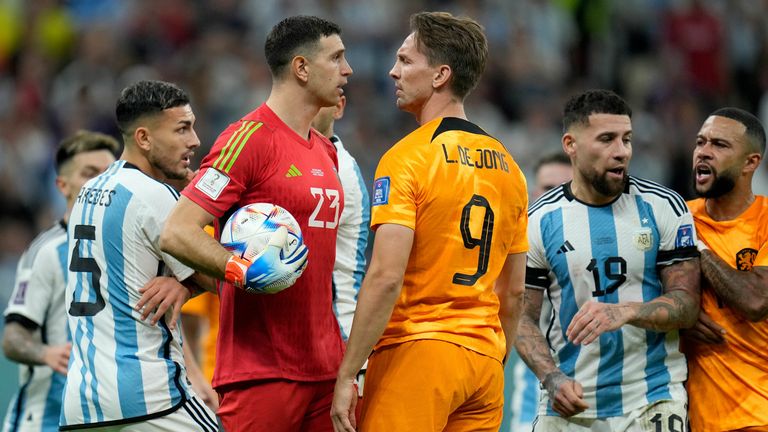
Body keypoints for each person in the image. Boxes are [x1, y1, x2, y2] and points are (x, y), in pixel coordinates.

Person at [331, 12, 528, 432]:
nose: (392, 70)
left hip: (417, 353)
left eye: (405, 61)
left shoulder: (408, 157)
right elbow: (512, 292)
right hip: (485, 364)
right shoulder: (511, 169)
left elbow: (385, 276)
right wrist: (493, 356)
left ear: (440, 75)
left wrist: (349, 372)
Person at [159, 16, 352, 431]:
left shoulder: (326, 151)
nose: (347, 70)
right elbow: (178, 231)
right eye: (336, 58)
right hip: (261, 372)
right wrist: (239, 271)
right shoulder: (247, 138)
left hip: (326, 371)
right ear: (301, 68)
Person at [516, 89, 701, 431]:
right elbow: (520, 317)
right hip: (570, 404)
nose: (622, 152)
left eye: (627, 139)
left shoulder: (663, 207)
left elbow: (687, 305)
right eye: (607, 139)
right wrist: (551, 377)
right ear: (570, 144)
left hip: (652, 397)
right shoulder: (537, 221)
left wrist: (625, 311)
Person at [60, 80, 217, 431]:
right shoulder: (156, 196)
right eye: (182, 129)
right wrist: (192, 284)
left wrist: (182, 283)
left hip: (83, 403)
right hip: (149, 398)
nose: (194, 140)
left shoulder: (89, 191)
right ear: (144, 138)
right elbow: (226, 278)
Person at [2, 131, 118, 432]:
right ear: (62, 186)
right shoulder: (47, 252)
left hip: (104, 420)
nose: (100, 183)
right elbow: (12, 337)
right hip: (45, 420)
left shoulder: (123, 248)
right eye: (89, 173)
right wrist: (46, 353)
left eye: (108, 174)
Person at [684, 107, 768, 431]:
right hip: (695, 418)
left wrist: (694, 246)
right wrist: (679, 320)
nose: (704, 151)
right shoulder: (677, 216)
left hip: (757, 415)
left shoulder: (763, 222)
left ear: (751, 162)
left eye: (719, 145)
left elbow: (756, 300)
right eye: (700, 142)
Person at [504, 152, 573, 432]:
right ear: (534, 192)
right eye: (548, 189)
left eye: (564, 188)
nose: (555, 197)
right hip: (526, 371)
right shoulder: (511, 243)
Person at [311, 94, 370, 405]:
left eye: (316, 100)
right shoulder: (300, 157)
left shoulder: (337, 169)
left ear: (339, 106)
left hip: (339, 346)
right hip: (313, 346)